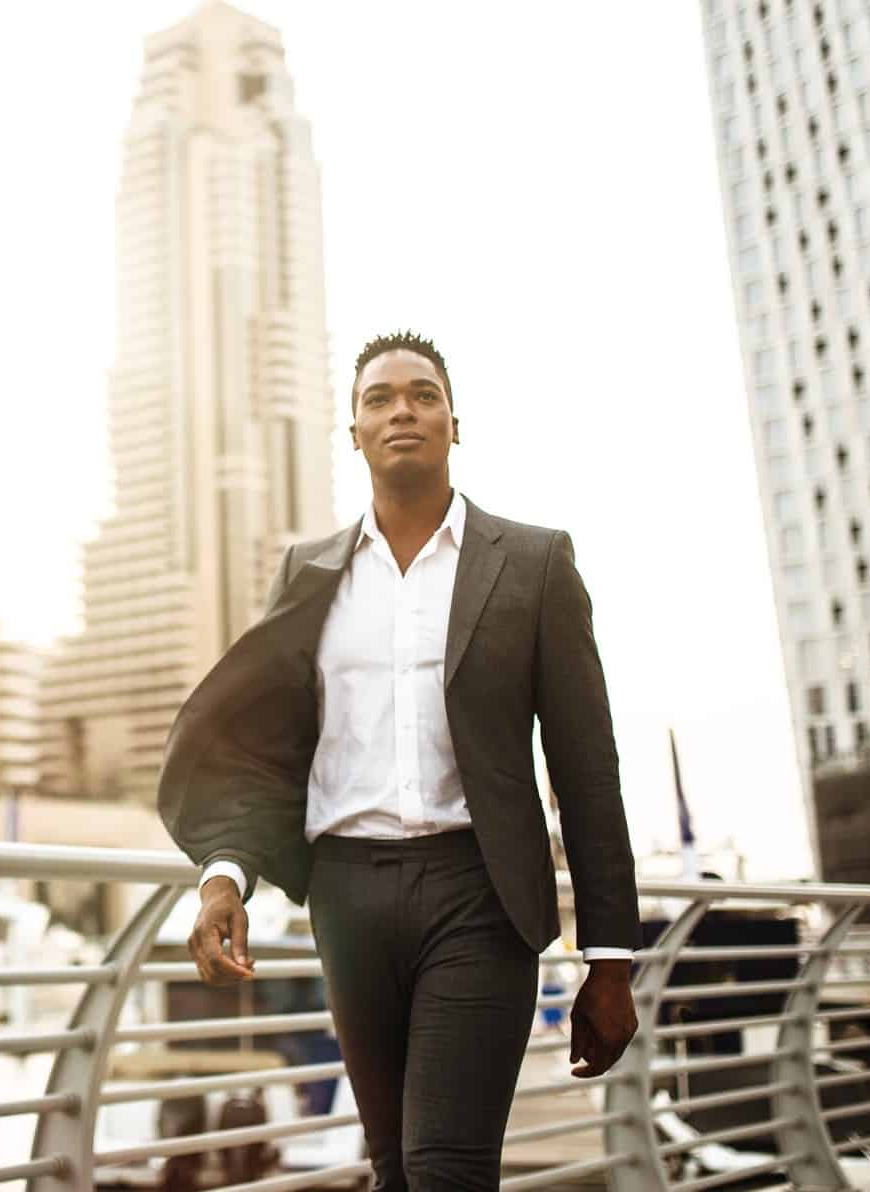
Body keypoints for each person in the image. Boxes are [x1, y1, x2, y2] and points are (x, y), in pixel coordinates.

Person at [158, 330, 642, 1190]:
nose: (401, 411)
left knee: (445, 1169)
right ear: (353, 434)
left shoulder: (532, 562)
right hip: (346, 897)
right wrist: (224, 874)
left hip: (480, 896)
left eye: (421, 394)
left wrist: (608, 959)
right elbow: (266, 751)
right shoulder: (308, 570)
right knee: (393, 1169)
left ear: (455, 422)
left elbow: (585, 769)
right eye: (378, 399)